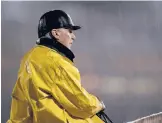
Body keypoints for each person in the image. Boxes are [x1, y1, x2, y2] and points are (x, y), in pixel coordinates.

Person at [7, 10, 105, 123]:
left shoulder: (29, 58)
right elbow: (81, 105)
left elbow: (20, 102)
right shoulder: (56, 62)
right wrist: (98, 104)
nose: (73, 36)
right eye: (69, 31)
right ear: (56, 33)